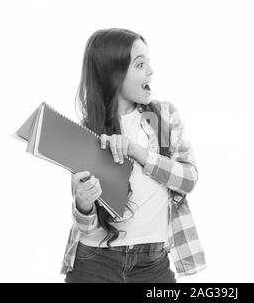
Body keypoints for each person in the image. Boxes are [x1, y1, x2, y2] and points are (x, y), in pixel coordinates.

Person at [61, 28, 207, 283]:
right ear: (112, 75)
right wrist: (83, 205)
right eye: (140, 65)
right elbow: (86, 227)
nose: (150, 71)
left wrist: (137, 152)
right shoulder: (88, 130)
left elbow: (188, 179)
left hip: (152, 265)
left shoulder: (162, 118)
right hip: (95, 263)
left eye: (148, 61)